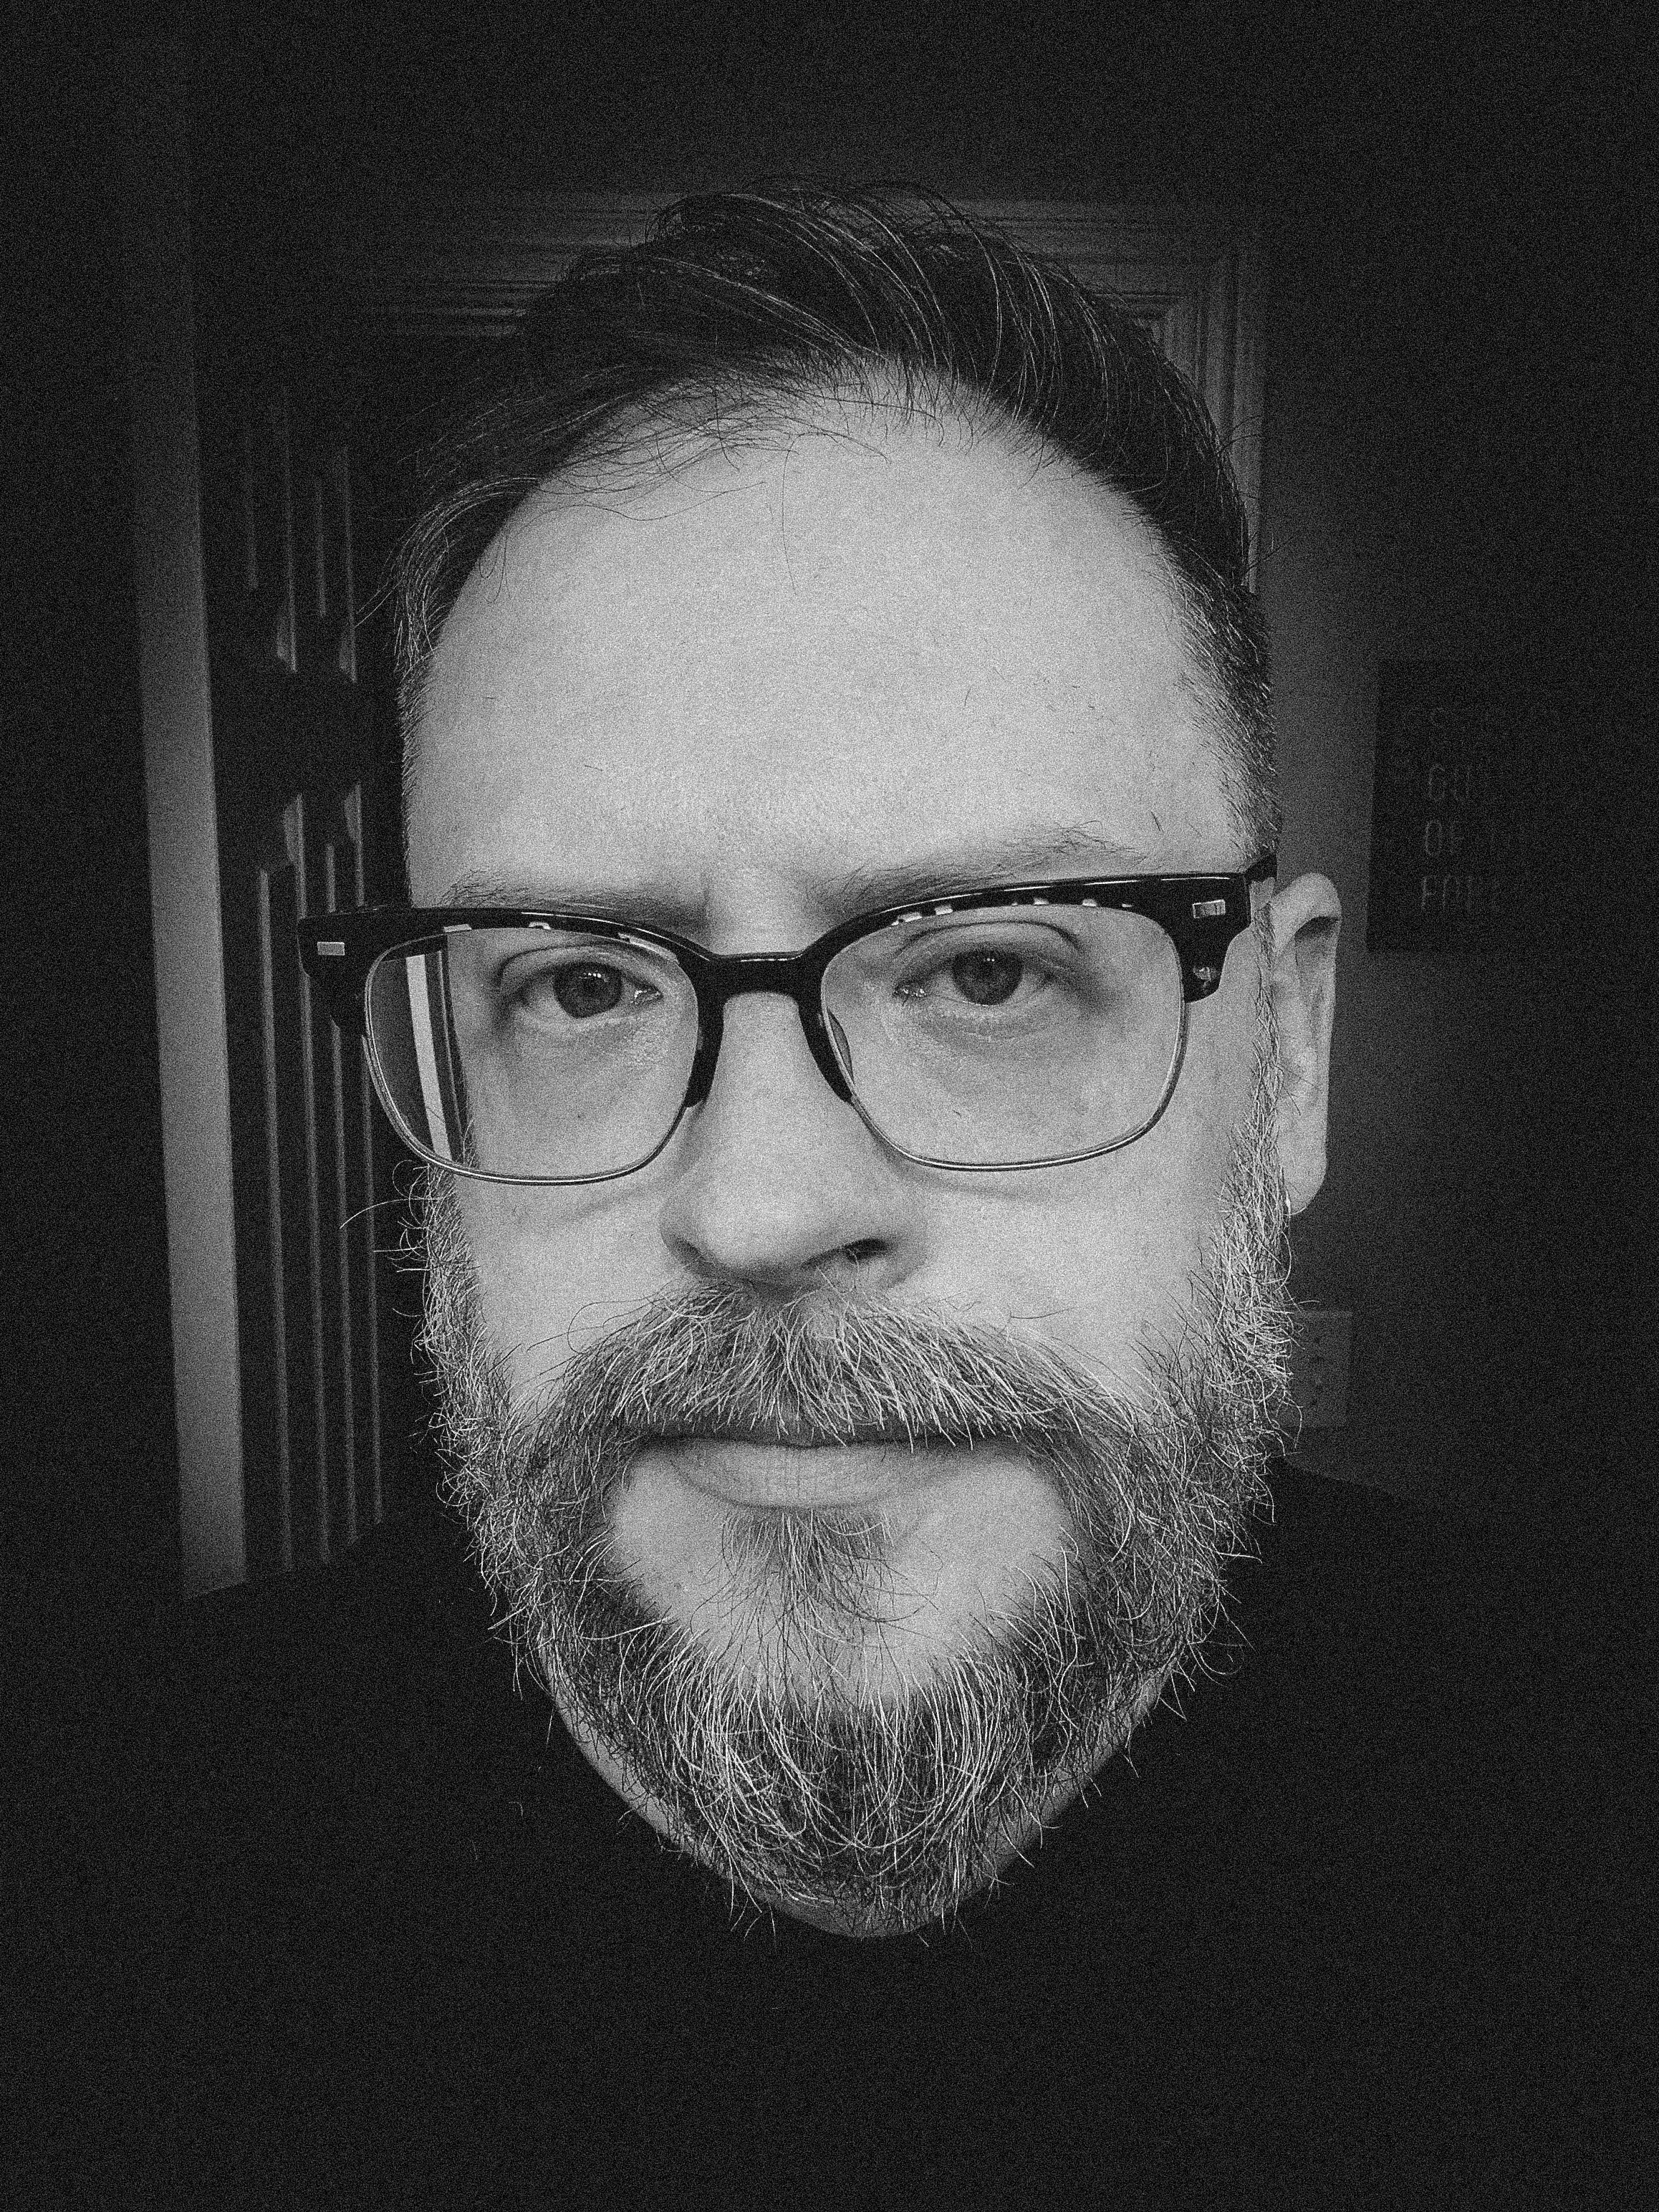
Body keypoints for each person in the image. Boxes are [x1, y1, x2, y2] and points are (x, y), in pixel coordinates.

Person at [25, 186, 1638, 2208]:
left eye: (988, 971)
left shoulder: (1584, 1828)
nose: (762, 1202)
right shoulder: (106, 1894)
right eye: (582, 985)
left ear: (1287, 1058)